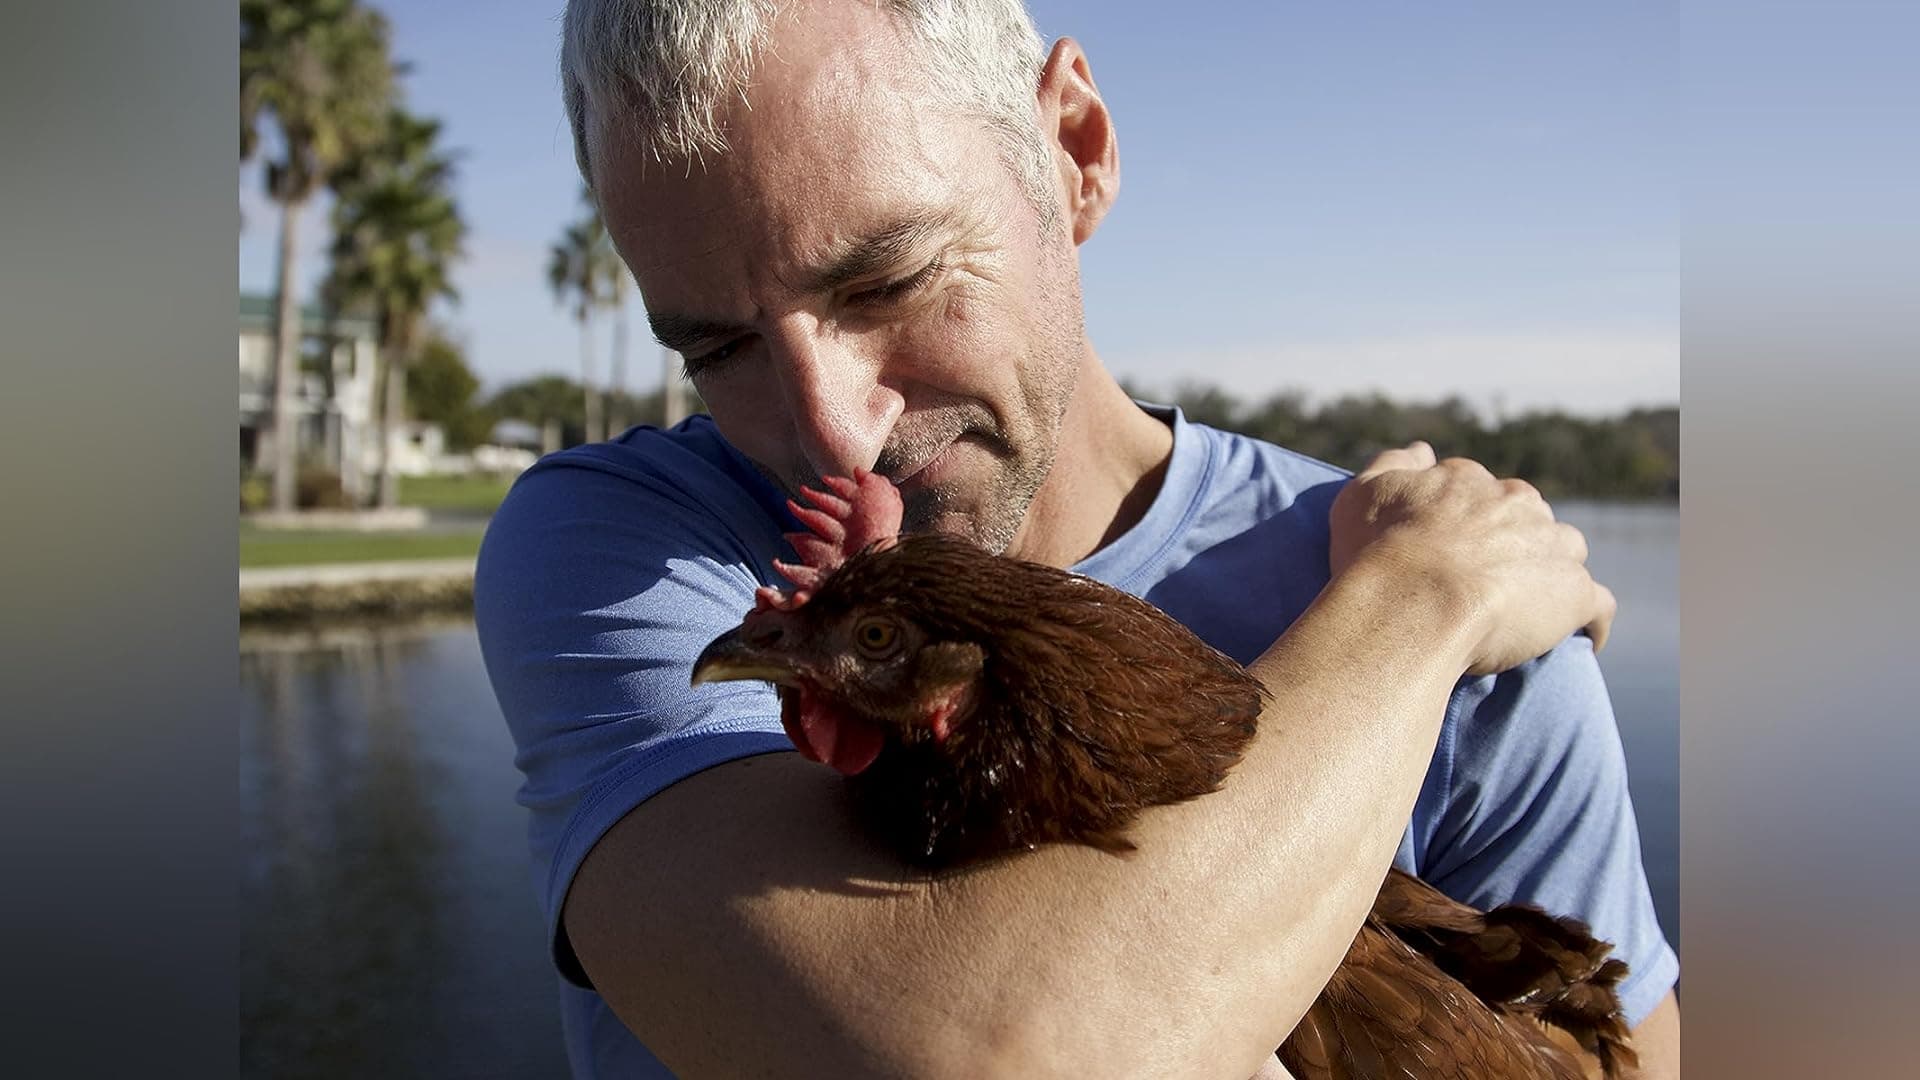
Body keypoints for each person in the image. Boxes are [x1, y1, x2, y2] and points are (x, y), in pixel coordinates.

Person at [474, 1, 1679, 1076]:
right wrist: (1417, 605)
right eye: (718, 351)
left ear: (1074, 152)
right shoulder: (629, 548)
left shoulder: (1502, 650)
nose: (835, 434)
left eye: (888, 279)